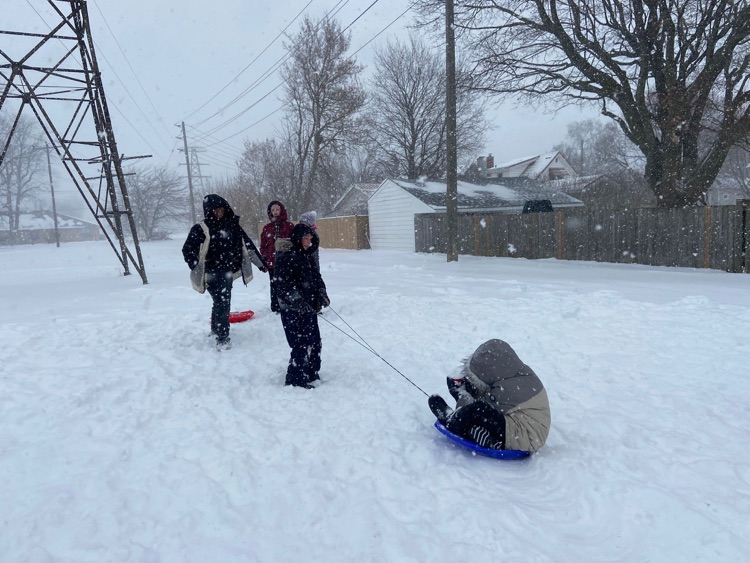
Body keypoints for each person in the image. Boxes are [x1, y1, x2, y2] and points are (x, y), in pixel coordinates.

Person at [428, 339, 551, 452]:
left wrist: (460, 394)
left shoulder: (507, 390)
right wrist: (471, 390)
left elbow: (480, 408)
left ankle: (452, 421)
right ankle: (482, 435)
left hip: (526, 435)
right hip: (518, 421)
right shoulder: (518, 375)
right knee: (480, 412)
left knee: (478, 410)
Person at [182, 194, 266, 350]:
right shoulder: (201, 228)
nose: (219, 212)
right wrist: (195, 265)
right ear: (209, 211)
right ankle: (222, 337)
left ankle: (216, 329)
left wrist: (261, 264)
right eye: (215, 210)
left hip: (227, 271)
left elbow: (248, 245)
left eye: (221, 209)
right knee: (222, 303)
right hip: (210, 272)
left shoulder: (232, 225)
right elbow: (187, 249)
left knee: (220, 302)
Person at [274, 222, 330, 388]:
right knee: (301, 343)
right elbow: (283, 285)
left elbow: (316, 277)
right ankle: (296, 378)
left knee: (315, 341)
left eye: (310, 238)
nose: (308, 242)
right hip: (292, 309)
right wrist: (298, 301)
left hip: (309, 307)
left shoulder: (307, 256)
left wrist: (322, 292)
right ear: (298, 238)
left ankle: (311, 371)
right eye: (306, 238)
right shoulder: (286, 257)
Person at [260, 200, 295, 313]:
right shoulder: (267, 228)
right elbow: (263, 246)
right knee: (274, 284)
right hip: (272, 263)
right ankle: (275, 306)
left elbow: (294, 242)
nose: (275, 212)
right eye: (273, 210)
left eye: (277, 209)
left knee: (287, 283)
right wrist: (265, 258)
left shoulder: (289, 226)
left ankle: (288, 303)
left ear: (281, 210)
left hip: (287, 261)